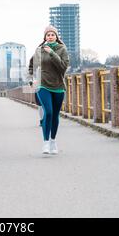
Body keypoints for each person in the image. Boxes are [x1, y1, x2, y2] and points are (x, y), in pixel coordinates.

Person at [28, 25, 69, 155]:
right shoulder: (39, 50)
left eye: (52, 35)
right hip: (42, 84)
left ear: (56, 37)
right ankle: (45, 142)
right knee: (49, 112)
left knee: (55, 114)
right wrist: (31, 79)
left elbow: (63, 67)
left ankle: (53, 141)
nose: (50, 37)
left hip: (58, 86)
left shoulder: (62, 49)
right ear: (45, 37)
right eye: (48, 35)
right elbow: (31, 65)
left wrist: (52, 53)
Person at [28, 56, 44, 127]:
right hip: (38, 87)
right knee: (40, 105)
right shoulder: (33, 67)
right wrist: (31, 82)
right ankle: (42, 120)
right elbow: (30, 76)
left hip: (47, 85)